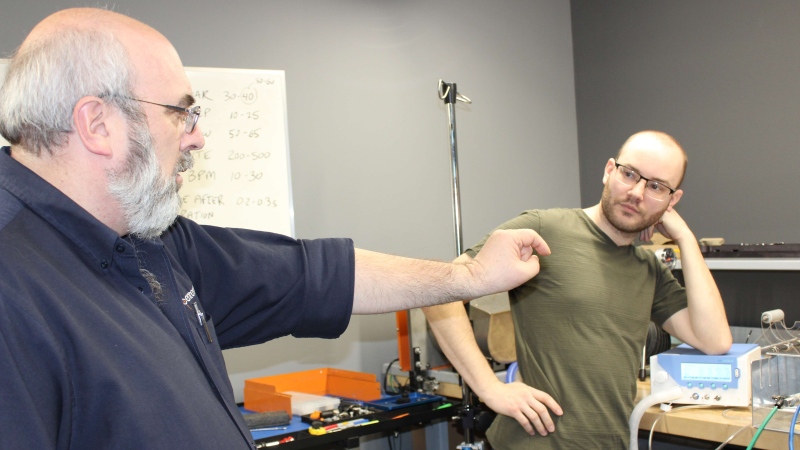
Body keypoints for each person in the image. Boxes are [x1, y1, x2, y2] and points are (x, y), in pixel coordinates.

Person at [0, 8, 552, 450]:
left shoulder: (153, 242)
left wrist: (472, 275)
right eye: (180, 113)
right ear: (98, 125)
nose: (195, 137)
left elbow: (313, 276)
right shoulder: (15, 287)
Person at [424, 130, 732, 449]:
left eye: (656, 186)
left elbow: (715, 340)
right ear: (609, 170)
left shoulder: (648, 269)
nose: (637, 192)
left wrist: (685, 240)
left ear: (672, 201)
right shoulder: (544, 230)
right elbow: (438, 294)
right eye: (629, 174)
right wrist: (489, 388)